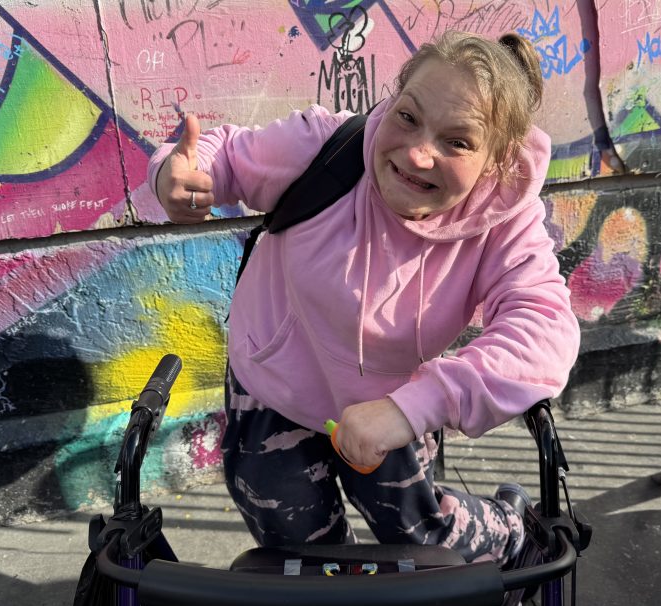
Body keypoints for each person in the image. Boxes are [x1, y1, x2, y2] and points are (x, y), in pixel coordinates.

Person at [149, 30, 580, 565]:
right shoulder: (325, 148)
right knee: (298, 553)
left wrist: (414, 407)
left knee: (423, 536)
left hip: (389, 406)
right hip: (273, 386)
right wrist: (177, 173)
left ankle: (517, 536)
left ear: (495, 161)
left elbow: (543, 328)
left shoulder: (503, 219)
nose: (418, 153)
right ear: (392, 101)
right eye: (408, 117)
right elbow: (226, 154)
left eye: (458, 141)